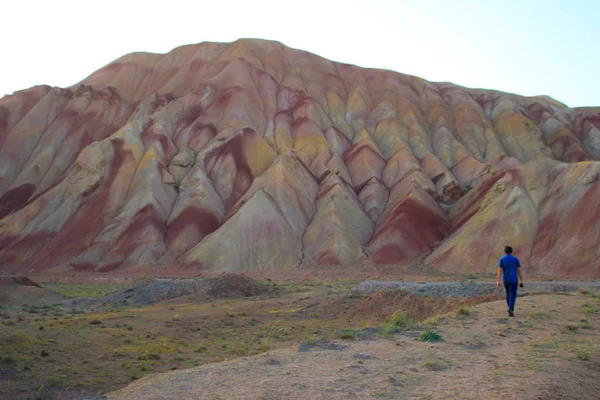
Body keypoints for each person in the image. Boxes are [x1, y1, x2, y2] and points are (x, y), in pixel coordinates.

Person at [496, 246, 524, 317]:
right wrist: (521, 280)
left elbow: (499, 271)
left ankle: (510, 308)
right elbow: (519, 271)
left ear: (504, 251)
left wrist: (498, 281)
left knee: (508, 294)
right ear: (512, 251)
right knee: (513, 294)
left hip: (506, 279)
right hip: (514, 279)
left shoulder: (502, 259)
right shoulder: (515, 259)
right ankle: (511, 308)